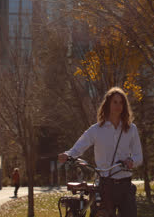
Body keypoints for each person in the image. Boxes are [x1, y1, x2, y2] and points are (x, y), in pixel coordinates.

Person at [58, 87, 143, 217]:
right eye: (115, 102)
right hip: (105, 185)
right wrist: (68, 155)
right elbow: (79, 147)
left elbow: (139, 156)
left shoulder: (131, 129)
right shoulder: (97, 129)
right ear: (108, 104)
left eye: (121, 103)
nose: (118, 106)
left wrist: (131, 162)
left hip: (125, 185)